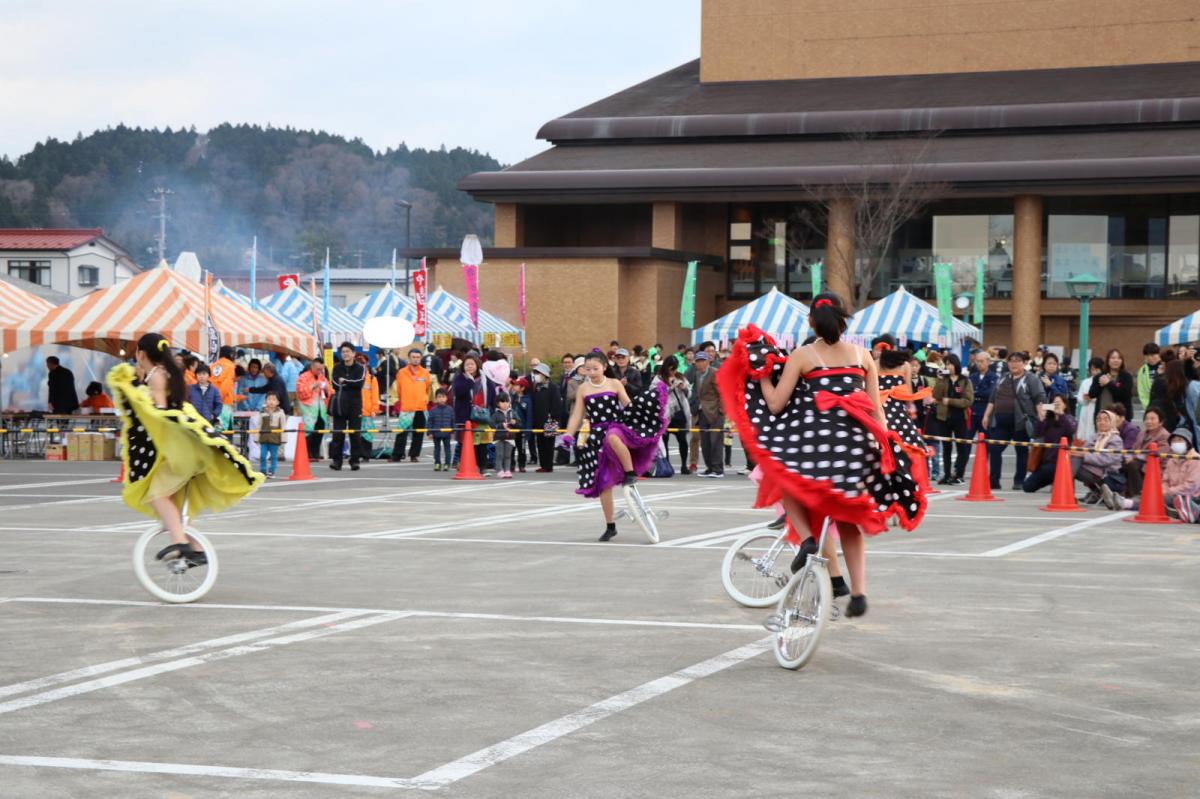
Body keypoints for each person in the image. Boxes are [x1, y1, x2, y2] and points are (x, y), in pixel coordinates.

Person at [717, 293, 926, 620]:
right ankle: (858, 592)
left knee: (784, 482)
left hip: (814, 441)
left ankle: (809, 539)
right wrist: (883, 447)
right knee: (847, 517)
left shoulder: (803, 355)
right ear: (844, 321)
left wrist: (760, 378)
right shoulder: (863, 355)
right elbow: (877, 411)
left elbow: (775, 405)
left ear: (811, 322)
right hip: (856, 443)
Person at [107, 333, 262, 563]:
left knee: (158, 496)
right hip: (182, 449)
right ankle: (196, 549)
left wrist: (138, 398)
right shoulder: (164, 373)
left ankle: (180, 543)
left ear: (141, 353)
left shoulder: (157, 376)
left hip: (179, 451)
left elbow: (160, 411)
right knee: (170, 504)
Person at [561, 351, 667, 541]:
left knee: (612, 437)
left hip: (616, 427)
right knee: (604, 483)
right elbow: (577, 414)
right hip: (596, 435)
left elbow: (628, 405)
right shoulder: (583, 389)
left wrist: (643, 415)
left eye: (596, 368)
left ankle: (630, 473)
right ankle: (611, 526)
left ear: (604, 367)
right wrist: (568, 434)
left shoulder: (614, 383)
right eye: (588, 369)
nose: (592, 372)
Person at [982, 351, 1046, 490]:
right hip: (1001, 422)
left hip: (1021, 422)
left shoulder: (1031, 379)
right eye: (1011, 361)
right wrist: (986, 415)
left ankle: (1019, 481)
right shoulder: (1003, 378)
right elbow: (993, 399)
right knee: (994, 449)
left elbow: (1040, 397)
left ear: (1024, 363)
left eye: (1017, 361)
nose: (1014, 364)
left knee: (1021, 451)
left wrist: (1041, 414)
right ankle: (994, 480)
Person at [1104, 427, 1200, 512]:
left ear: (1188, 443)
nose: (1176, 443)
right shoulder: (1172, 459)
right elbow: (1165, 480)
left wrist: (1167, 491)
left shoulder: (1196, 459)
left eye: (1180, 440)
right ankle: (1120, 501)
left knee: (1157, 498)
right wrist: (1162, 490)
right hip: (1171, 493)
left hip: (1188, 497)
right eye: (1174, 441)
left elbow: (1191, 486)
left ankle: (1124, 503)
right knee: (1150, 494)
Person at [877, 347, 932, 483]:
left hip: (879, 412)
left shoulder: (873, 362)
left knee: (880, 445)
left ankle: (884, 475)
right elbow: (907, 394)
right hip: (897, 412)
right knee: (907, 444)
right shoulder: (905, 365)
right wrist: (911, 409)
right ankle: (905, 476)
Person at [931, 353, 974, 485]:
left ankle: (959, 474)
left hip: (960, 417)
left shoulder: (965, 380)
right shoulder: (943, 379)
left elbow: (968, 401)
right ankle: (947, 475)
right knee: (946, 447)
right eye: (946, 364)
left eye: (950, 364)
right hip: (944, 418)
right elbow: (936, 395)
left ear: (956, 365)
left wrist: (950, 401)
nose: (948, 367)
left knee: (962, 447)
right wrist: (939, 379)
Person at [1022, 393, 1078, 493]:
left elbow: (1070, 431)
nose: (1056, 406)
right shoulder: (1049, 421)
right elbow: (1036, 434)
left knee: (1048, 470)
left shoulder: (1069, 419)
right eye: (1054, 403)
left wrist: (1061, 415)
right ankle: (1053, 480)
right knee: (1027, 487)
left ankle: (1057, 480)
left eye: (1059, 403)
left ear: (1065, 405)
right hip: (1046, 462)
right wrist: (1041, 418)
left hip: (1060, 462)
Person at [328, 342, 366, 471]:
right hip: (340, 403)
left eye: (347, 351)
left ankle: (354, 461)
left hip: (355, 404)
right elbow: (334, 383)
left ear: (353, 353)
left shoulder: (360, 368)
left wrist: (345, 381)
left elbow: (359, 384)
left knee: (355, 433)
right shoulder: (337, 367)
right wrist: (348, 383)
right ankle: (336, 461)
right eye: (343, 351)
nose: (345, 354)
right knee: (338, 433)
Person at [1074, 409, 1124, 505]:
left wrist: (1084, 456)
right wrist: (1078, 453)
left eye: (1106, 420)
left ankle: (1065, 491)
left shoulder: (1116, 440)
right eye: (1099, 420)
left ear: (1112, 422)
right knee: (1072, 459)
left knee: (1075, 460)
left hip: (1107, 473)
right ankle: (1066, 492)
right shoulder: (1094, 436)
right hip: (1092, 469)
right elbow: (1084, 450)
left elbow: (1106, 460)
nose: (1102, 422)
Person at [653, 358, 693, 474]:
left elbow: (689, 393)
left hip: (679, 413)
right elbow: (654, 393)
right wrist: (669, 388)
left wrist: (684, 388)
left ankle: (684, 465)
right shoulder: (658, 378)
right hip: (665, 414)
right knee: (664, 441)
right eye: (670, 369)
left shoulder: (680, 376)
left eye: (674, 369)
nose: (672, 372)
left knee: (682, 440)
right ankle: (668, 465)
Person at [392, 348, 432, 463]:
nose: (415, 359)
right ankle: (397, 455)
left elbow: (427, 388)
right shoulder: (401, 372)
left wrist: (424, 400)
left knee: (418, 433)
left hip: (420, 407)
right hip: (406, 407)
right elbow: (398, 389)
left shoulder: (425, 373)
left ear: (420, 358)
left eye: (418, 357)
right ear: (409, 358)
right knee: (401, 432)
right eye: (413, 357)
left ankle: (414, 455)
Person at [452, 353, 489, 471]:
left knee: (482, 443)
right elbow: (458, 392)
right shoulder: (459, 378)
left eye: (472, 364)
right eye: (467, 364)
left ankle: (482, 467)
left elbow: (492, 394)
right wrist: (470, 381)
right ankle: (465, 465)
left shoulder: (484, 379)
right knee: (465, 442)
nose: (469, 367)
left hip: (480, 416)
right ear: (463, 366)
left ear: (477, 365)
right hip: (465, 416)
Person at [691, 351, 725, 477]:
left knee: (716, 440)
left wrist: (721, 410)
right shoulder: (697, 374)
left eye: (702, 360)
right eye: (697, 361)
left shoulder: (715, 373)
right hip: (702, 411)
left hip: (715, 411)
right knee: (705, 441)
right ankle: (709, 467)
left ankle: (718, 469)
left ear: (708, 361)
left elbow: (722, 393)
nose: (699, 363)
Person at [529, 362, 563, 473]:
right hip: (538, 420)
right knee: (540, 443)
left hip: (550, 420)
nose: (536, 375)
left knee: (549, 443)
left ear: (544, 374)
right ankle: (543, 465)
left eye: (538, 373)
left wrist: (553, 416)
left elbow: (557, 404)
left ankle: (548, 466)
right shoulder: (536, 387)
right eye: (535, 373)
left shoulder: (553, 387)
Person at [296, 358, 331, 461]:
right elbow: (300, 392)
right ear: (312, 366)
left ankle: (316, 453)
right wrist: (312, 387)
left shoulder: (323, 378)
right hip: (308, 410)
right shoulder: (303, 377)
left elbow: (329, 392)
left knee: (319, 431)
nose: (319, 371)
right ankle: (308, 453)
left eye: (321, 369)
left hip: (321, 410)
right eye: (317, 369)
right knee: (309, 432)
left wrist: (325, 390)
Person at [1088, 349, 1133, 424]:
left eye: (1119, 358)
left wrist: (1109, 383)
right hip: (1102, 416)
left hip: (1119, 418)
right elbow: (1091, 394)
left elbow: (1125, 394)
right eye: (1113, 358)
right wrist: (1101, 385)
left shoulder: (1126, 376)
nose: (1116, 360)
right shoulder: (1100, 376)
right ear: (1107, 360)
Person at [256, 392, 286, 478]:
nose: (271, 401)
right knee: (262, 456)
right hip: (264, 438)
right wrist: (256, 437)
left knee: (273, 456)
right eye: (269, 399)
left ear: (278, 402)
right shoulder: (262, 412)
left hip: (275, 439)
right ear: (265, 401)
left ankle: (271, 471)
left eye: (273, 399)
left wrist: (283, 439)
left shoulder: (280, 413)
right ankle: (263, 471)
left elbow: (283, 427)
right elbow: (258, 426)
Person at [490, 393, 520, 479]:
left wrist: (515, 422)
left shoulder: (512, 412)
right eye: (502, 402)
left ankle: (507, 470)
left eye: (507, 401)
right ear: (498, 403)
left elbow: (519, 423)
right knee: (499, 455)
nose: (505, 403)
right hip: (499, 437)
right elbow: (491, 424)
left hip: (510, 437)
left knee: (508, 455)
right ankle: (499, 470)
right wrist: (501, 425)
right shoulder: (496, 414)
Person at [1075, 356, 1104, 443]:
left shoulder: (1104, 381)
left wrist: (1094, 399)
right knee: (1085, 431)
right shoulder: (1085, 382)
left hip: (1098, 409)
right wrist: (1086, 399)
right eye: (1093, 369)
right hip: (1086, 409)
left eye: (1097, 369)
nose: (1095, 372)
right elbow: (1080, 398)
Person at [209, 345, 238, 430]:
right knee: (223, 431)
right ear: (231, 355)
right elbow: (226, 385)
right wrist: (219, 400)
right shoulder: (230, 366)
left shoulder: (212, 366)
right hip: (224, 402)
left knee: (214, 430)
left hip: (211, 401)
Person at [969, 350, 998, 434]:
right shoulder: (972, 376)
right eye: (977, 361)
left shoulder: (994, 377)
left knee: (986, 440)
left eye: (981, 361)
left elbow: (990, 393)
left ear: (988, 362)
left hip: (986, 411)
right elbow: (968, 392)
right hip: (972, 411)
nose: (979, 364)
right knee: (967, 440)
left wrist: (975, 392)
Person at [427, 388, 456, 472]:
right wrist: (429, 432)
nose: (441, 399)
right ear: (436, 399)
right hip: (436, 433)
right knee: (437, 449)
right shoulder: (433, 410)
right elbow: (430, 422)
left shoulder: (450, 409)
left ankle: (447, 464)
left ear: (446, 398)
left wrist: (453, 431)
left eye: (443, 397)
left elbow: (453, 421)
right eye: (439, 397)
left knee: (448, 449)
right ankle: (437, 463)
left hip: (447, 433)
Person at [510, 377, 532, 472]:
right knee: (511, 447)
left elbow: (529, 416)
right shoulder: (512, 398)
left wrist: (528, 430)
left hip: (522, 428)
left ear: (522, 388)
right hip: (512, 427)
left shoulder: (527, 400)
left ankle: (521, 465)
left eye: (516, 385)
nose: (514, 387)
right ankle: (511, 465)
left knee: (521, 448)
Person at [1136, 343, 1161, 411]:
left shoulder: (1165, 367)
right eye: (1147, 355)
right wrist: (1147, 406)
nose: (1150, 358)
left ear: (1158, 354)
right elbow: (1141, 391)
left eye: (1152, 355)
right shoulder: (1142, 370)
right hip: (1149, 407)